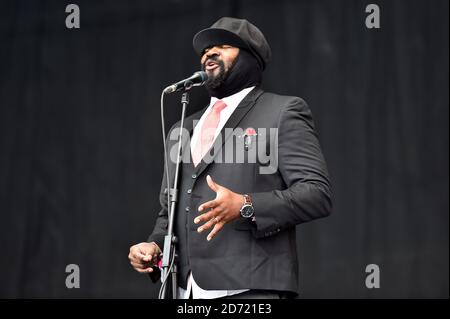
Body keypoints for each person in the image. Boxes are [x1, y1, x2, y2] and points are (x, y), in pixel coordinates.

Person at [129, 17, 332, 299]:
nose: (209, 53)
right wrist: (154, 247)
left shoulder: (282, 112)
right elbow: (170, 212)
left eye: (222, 46)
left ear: (251, 57)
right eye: (204, 50)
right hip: (183, 291)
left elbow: (317, 193)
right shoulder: (182, 129)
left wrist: (246, 205)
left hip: (249, 289)